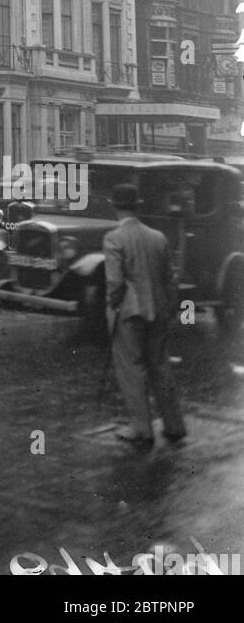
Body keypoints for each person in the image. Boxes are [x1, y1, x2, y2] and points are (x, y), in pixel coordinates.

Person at [104, 183, 187, 447]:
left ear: (114, 206)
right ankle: (174, 425)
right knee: (160, 367)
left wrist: (112, 305)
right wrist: (170, 308)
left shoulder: (113, 239)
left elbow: (115, 284)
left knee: (132, 369)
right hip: (159, 311)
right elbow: (170, 279)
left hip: (130, 314)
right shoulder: (158, 237)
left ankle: (142, 429)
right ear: (137, 206)